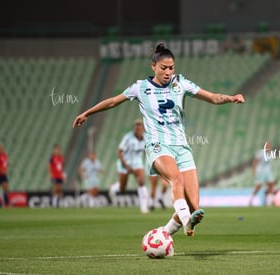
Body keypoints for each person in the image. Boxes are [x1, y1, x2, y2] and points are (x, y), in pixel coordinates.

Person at [73, 43, 245, 236]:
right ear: (153, 66)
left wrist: (231, 98)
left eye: (171, 68)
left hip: (182, 147)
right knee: (176, 180)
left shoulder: (181, 83)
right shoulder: (140, 88)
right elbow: (113, 101)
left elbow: (213, 98)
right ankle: (187, 219)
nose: (168, 72)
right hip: (158, 145)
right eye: (163, 68)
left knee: (194, 204)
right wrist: (87, 113)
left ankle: (163, 234)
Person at [117, 119, 149, 214]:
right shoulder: (128, 137)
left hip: (137, 162)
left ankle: (144, 208)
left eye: (140, 126)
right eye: (136, 126)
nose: (138, 128)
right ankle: (114, 188)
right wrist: (126, 166)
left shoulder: (146, 137)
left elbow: (146, 150)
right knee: (122, 188)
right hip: (125, 162)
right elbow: (119, 152)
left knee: (141, 181)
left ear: (143, 128)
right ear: (134, 128)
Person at [249, 142, 276, 207]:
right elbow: (255, 161)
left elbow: (270, 163)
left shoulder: (271, 153)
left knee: (271, 185)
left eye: (269, 146)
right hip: (261, 171)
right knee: (259, 186)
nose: (268, 147)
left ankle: (269, 202)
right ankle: (251, 199)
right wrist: (254, 170)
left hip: (268, 171)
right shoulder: (260, 153)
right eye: (267, 146)